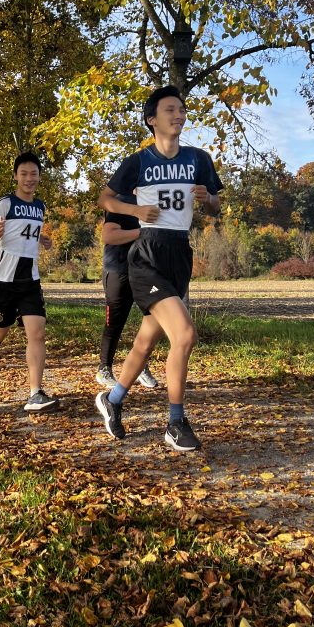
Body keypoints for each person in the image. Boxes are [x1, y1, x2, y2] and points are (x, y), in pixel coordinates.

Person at [95, 86, 222, 451]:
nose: (179, 115)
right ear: (153, 119)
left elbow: (214, 205)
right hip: (146, 255)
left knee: (146, 339)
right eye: (170, 110)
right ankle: (176, 422)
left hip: (179, 253)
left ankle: (113, 399)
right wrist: (135, 212)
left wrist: (207, 198)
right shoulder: (139, 161)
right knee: (184, 335)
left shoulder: (199, 158)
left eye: (182, 109)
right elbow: (104, 198)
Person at [0, 152, 58, 412]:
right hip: (4, 278)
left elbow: (28, 232)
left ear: (40, 177)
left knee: (37, 333)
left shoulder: (40, 206)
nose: (29, 179)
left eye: (34, 174)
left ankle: (35, 393)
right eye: (24, 174)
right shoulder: (5, 203)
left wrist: (42, 240)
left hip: (30, 278)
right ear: (16, 176)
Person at [96, 200, 158, 390]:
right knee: (115, 321)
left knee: (154, 317)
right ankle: (104, 368)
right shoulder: (119, 201)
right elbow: (109, 235)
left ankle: (139, 366)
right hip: (118, 269)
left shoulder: (154, 197)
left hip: (146, 269)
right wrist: (141, 233)